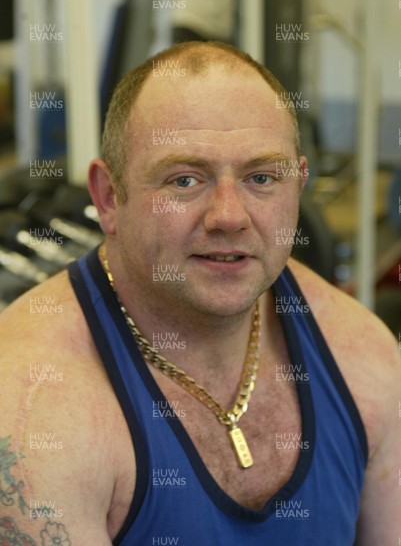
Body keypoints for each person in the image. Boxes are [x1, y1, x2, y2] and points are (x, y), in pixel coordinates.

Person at [0, 41, 400, 545]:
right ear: (108, 198)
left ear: (297, 185)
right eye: (185, 179)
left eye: (261, 177)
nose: (229, 216)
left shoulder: (364, 355)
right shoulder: (35, 414)